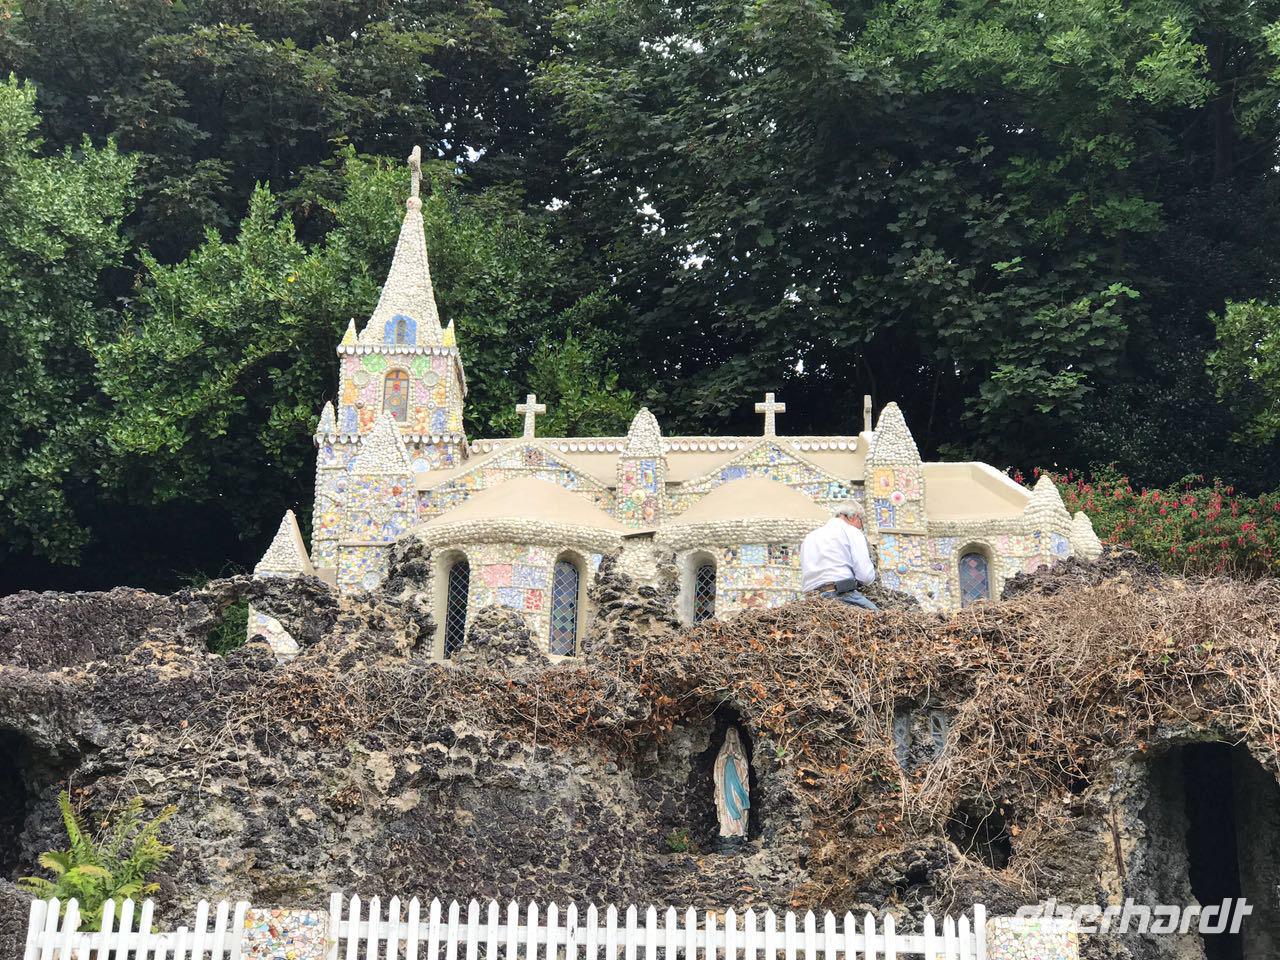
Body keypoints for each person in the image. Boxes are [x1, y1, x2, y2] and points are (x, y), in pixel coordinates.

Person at [800, 501, 878, 610]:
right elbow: (865, 576)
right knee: (880, 617)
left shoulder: (809, 537)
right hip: (841, 594)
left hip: (812, 599)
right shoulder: (852, 532)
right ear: (854, 516)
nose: (860, 528)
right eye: (861, 523)